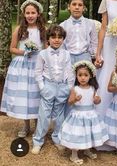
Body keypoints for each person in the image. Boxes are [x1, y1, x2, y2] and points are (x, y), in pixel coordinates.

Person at [0, 0, 46, 138]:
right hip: (23, 66)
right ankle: (26, 125)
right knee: (25, 95)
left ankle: (38, 125)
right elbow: (12, 48)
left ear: (38, 14)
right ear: (24, 14)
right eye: (28, 13)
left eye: (33, 13)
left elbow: (46, 48)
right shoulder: (19, 29)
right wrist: (25, 51)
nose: (30, 15)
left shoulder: (43, 30)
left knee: (36, 94)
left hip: (37, 65)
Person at [32, 25, 74, 154]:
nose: (56, 40)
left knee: (59, 116)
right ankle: (38, 141)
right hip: (48, 86)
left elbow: (69, 72)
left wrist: (69, 88)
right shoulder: (42, 54)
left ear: (63, 39)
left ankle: (57, 138)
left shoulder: (66, 54)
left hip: (62, 87)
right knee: (44, 115)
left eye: (60, 37)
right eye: (53, 37)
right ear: (48, 39)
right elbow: (38, 72)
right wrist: (42, 88)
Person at [59, 60, 108, 164]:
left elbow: (97, 100)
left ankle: (87, 150)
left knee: (88, 133)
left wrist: (97, 100)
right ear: (76, 76)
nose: (82, 77)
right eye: (80, 75)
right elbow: (70, 102)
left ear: (90, 76)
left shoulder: (92, 88)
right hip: (78, 115)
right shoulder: (75, 89)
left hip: (90, 114)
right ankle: (74, 154)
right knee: (77, 134)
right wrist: (75, 99)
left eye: (85, 75)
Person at [60, 0, 98, 64]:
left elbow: (94, 43)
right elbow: (61, 45)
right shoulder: (63, 25)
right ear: (69, 6)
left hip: (85, 56)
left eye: (80, 5)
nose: (77, 7)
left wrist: (96, 57)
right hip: (68, 57)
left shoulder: (90, 24)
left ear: (83, 8)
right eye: (74, 4)